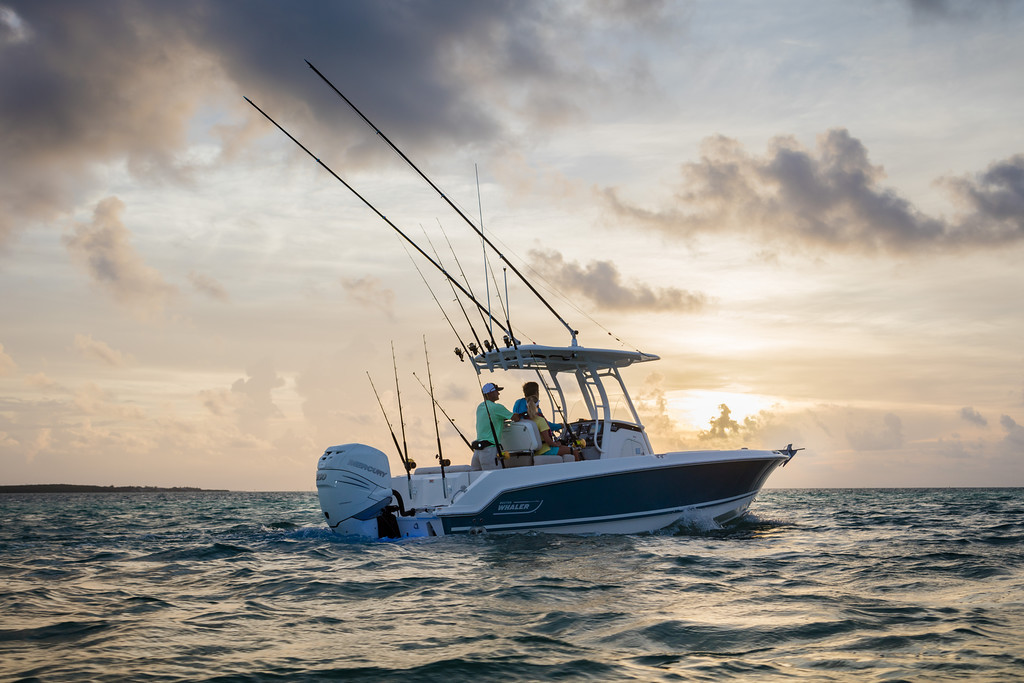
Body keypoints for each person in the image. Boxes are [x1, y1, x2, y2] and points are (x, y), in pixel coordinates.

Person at [471, 382, 520, 470]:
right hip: (489, 451)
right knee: (497, 477)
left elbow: (492, 418)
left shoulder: (480, 407)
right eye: (496, 391)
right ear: (490, 393)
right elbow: (515, 418)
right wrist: (517, 414)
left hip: (477, 452)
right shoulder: (497, 407)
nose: (498, 393)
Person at [526, 394, 581, 462]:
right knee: (574, 451)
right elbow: (548, 441)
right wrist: (556, 444)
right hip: (544, 450)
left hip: (533, 451)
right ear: (538, 406)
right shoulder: (540, 420)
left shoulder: (526, 420)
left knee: (563, 447)